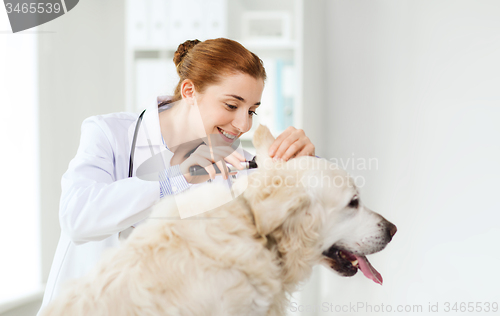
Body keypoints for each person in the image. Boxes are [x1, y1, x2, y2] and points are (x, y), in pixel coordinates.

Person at [37, 38, 315, 315]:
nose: (244, 125)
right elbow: (77, 218)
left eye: (252, 110)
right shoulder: (110, 134)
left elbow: (283, 236)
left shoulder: (236, 165)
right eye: (232, 106)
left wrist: (306, 168)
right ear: (189, 91)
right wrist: (176, 179)